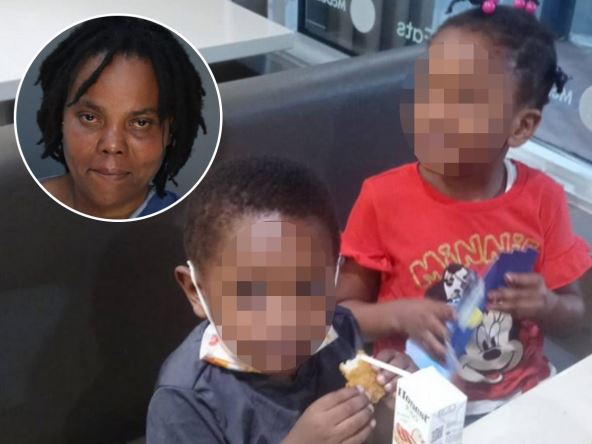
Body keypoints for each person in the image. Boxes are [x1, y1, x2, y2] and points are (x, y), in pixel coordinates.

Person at [337, 2, 591, 418]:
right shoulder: (382, 198)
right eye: (428, 90)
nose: (435, 115)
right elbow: (342, 314)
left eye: (464, 102)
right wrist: (399, 315)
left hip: (521, 401)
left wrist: (546, 305)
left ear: (521, 126)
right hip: (417, 408)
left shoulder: (543, 198)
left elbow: (576, 313)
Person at [146, 157, 416, 443]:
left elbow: (375, 431)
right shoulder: (185, 400)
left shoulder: (341, 331)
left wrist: (398, 403)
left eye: (306, 286)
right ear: (195, 291)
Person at [35, 16, 206, 219]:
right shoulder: (17, 207)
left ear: (169, 131)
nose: (113, 145)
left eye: (141, 123)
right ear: (60, 118)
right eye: (89, 117)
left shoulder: (190, 225)